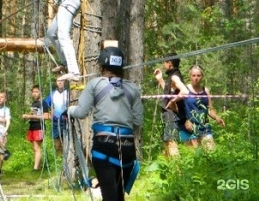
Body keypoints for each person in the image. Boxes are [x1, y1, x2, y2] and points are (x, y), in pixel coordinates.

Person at [68, 47, 144, 201]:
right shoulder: (133, 88)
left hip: (104, 145)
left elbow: (82, 112)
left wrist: (69, 110)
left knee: (109, 195)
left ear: (101, 66)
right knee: (118, 195)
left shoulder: (95, 84)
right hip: (127, 146)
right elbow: (137, 121)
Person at [180, 64, 225, 151]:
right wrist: (185, 121)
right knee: (193, 159)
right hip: (189, 130)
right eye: (193, 75)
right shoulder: (184, 90)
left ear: (202, 76)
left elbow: (209, 109)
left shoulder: (206, 91)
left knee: (211, 153)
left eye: (198, 75)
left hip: (205, 128)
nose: (196, 78)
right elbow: (178, 109)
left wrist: (217, 118)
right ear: (190, 76)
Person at [153, 54, 189, 157]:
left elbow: (185, 91)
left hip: (172, 116)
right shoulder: (173, 76)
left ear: (169, 63)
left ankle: (177, 172)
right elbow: (168, 92)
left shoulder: (174, 76)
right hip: (171, 115)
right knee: (167, 145)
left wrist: (173, 101)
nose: (163, 64)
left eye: (165, 62)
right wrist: (160, 79)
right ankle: (171, 171)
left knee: (171, 144)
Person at [22, 85, 49, 170]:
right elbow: (33, 114)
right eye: (33, 92)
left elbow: (46, 116)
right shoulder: (33, 103)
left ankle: (36, 168)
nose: (35, 94)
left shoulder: (43, 103)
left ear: (40, 92)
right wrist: (27, 116)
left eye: (37, 91)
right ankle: (38, 166)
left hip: (39, 127)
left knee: (37, 147)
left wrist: (30, 116)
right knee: (34, 147)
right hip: (32, 127)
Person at [44, 77, 69, 152]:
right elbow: (45, 103)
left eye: (62, 80)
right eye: (58, 81)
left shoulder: (68, 93)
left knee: (66, 142)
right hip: (55, 121)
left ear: (65, 81)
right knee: (57, 143)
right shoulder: (53, 93)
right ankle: (59, 158)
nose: (60, 82)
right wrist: (48, 114)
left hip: (66, 121)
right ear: (56, 82)